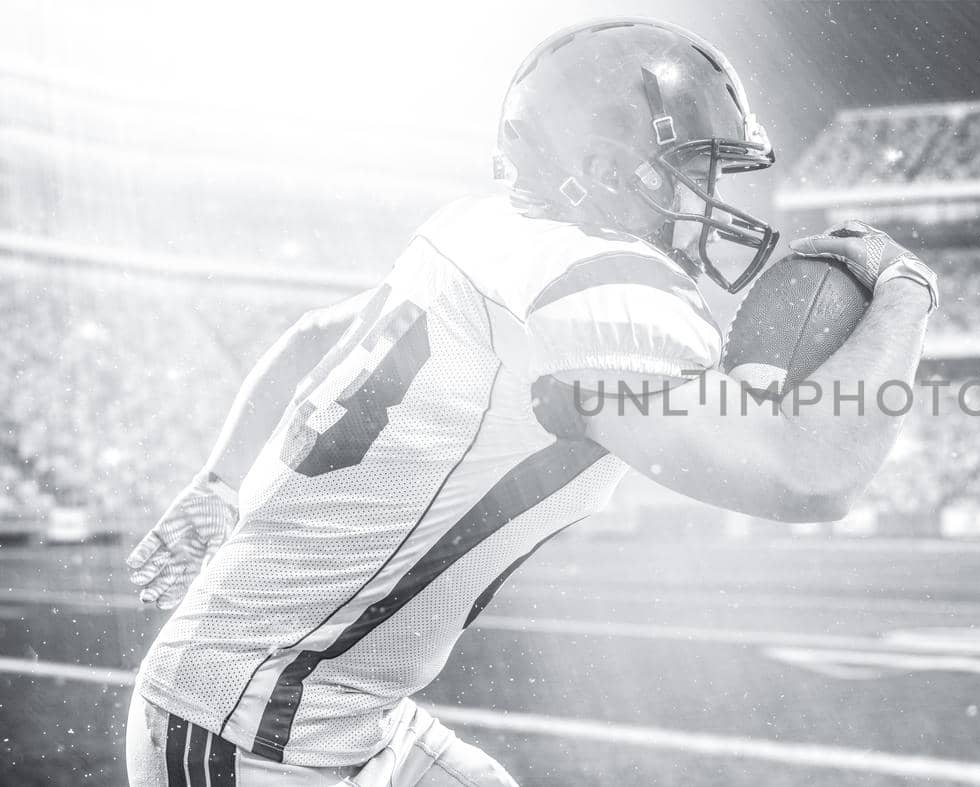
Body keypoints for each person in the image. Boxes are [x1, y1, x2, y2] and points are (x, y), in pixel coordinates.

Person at [122, 17, 938, 787]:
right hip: (251, 731)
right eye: (693, 166)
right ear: (611, 172)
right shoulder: (595, 281)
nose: (711, 193)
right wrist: (907, 291)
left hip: (325, 711)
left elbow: (309, 335)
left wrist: (218, 483)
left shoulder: (480, 227)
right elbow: (807, 475)